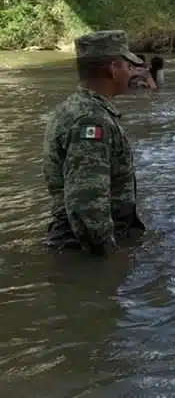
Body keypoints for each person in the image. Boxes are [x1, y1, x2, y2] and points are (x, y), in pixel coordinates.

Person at [41, 30, 146, 256]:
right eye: (128, 65)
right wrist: (110, 261)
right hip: (83, 251)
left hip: (77, 246)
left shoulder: (75, 108)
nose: (131, 72)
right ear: (113, 68)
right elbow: (87, 205)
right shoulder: (91, 120)